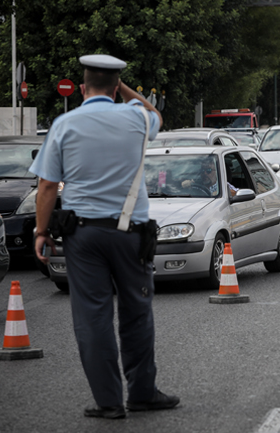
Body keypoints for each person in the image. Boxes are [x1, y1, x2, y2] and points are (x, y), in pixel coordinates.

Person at [31, 54, 179, 419]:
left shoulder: (65, 124)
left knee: (92, 317)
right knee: (137, 313)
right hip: (132, 234)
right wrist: (122, 87)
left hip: (84, 237)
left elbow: (48, 185)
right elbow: (155, 114)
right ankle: (142, 394)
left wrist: (41, 231)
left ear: (82, 89)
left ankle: (108, 402)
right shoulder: (135, 117)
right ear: (116, 89)